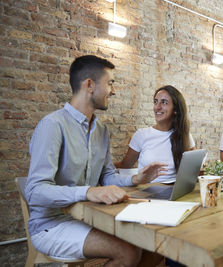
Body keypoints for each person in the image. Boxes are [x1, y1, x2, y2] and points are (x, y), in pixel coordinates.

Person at [25, 55, 167, 266]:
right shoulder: (52, 125)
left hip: (86, 218)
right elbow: (35, 191)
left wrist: (136, 179)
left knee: (154, 245)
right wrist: (89, 191)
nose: (113, 90)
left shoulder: (101, 130)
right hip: (51, 224)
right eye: (110, 83)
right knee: (127, 251)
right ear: (90, 85)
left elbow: (108, 176)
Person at [115, 85, 195, 183]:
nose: (157, 107)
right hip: (147, 192)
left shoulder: (185, 136)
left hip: (174, 192)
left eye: (164, 102)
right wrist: (101, 167)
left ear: (175, 110)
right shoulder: (141, 135)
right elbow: (124, 165)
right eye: (156, 102)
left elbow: (191, 170)